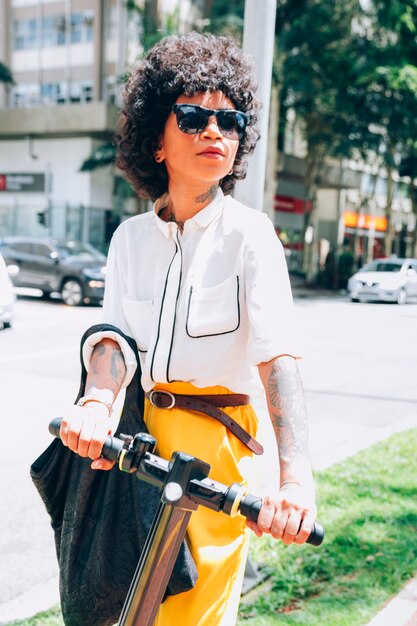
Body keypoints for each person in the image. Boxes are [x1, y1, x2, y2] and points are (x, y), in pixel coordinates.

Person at [60, 32, 317, 626]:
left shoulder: (252, 237)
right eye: (194, 116)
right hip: (139, 448)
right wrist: (97, 402)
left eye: (230, 121)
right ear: (156, 141)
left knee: (191, 613)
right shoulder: (129, 239)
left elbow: (278, 358)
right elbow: (115, 341)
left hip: (218, 455)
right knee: (124, 608)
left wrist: (295, 482)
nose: (213, 132)